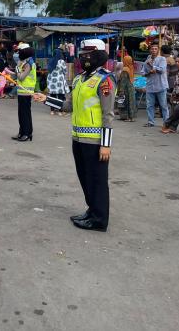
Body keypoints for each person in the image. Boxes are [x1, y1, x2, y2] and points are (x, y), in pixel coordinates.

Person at [34, 39, 115, 232]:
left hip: (95, 141)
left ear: (98, 55)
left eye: (89, 52)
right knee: (85, 177)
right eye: (83, 52)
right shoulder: (79, 79)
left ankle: (99, 219)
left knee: (97, 180)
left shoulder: (105, 80)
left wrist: (106, 144)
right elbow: (68, 105)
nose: (84, 56)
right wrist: (46, 99)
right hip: (78, 138)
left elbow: (108, 115)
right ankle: (91, 210)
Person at [142, 43, 169, 127]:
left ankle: (166, 123)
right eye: (152, 49)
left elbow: (162, 70)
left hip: (161, 86)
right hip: (150, 86)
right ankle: (151, 122)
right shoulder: (147, 59)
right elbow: (143, 72)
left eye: (155, 49)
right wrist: (148, 72)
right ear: (150, 50)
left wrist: (152, 66)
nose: (153, 50)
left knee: (163, 105)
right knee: (149, 105)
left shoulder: (162, 59)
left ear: (158, 50)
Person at [13, 43, 36, 140]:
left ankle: (26, 133)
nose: (18, 54)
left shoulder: (28, 64)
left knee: (25, 113)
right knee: (21, 113)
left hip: (26, 92)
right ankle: (22, 132)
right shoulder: (25, 61)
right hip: (22, 92)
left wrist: (17, 69)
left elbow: (21, 77)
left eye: (20, 52)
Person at [46, 48, 70, 116]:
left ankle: (52, 111)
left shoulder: (50, 60)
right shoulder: (61, 61)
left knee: (52, 96)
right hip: (59, 81)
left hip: (51, 80)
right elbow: (65, 71)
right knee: (60, 96)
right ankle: (60, 111)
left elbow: (48, 70)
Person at [117, 57, 137, 122]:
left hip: (126, 88)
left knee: (126, 102)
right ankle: (129, 117)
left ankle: (128, 117)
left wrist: (121, 90)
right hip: (131, 87)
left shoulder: (125, 69)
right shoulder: (131, 68)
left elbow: (123, 81)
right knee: (130, 102)